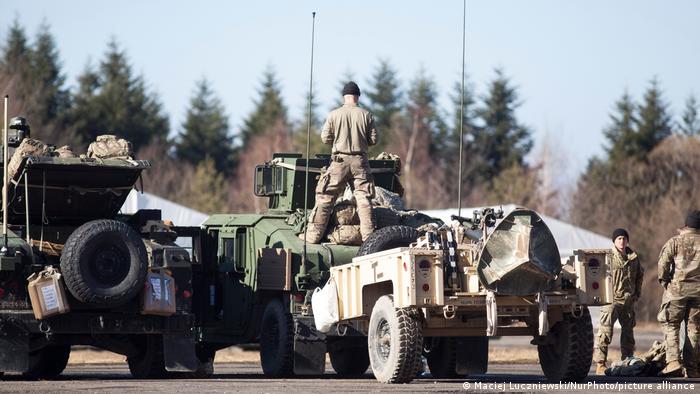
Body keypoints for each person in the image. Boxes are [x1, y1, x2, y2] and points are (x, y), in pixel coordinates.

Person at [301, 81, 378, 243]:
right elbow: (373, 140)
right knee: (364, 199)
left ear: (344, 96)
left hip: (339, 161)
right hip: (360, 161)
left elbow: (325, 138)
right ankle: (370, 239)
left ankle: (313, 237)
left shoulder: (333, 115)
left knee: (326, 197)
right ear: (358, 96)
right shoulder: (366, 115)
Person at [593, 228, 644, 375]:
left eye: (624, 238)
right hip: (612, 300)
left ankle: (627, 360)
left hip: (628, 301)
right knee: (605, 332)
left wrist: (637, 294)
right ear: (614, 241)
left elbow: (640, 275)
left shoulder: (633, 258)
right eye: (619, 239)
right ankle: (600, 364)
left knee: (628, 333)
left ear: (627, 240)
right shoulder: (608, 257)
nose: (622, 241)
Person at [657, 210, 700, 377]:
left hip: (677, 291)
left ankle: (673, 361)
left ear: (686, 224)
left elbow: (663, 265)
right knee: (694, 328)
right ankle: (692, 368)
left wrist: (665, 282)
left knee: (671, 324)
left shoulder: (675, 241)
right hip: (698, 293)